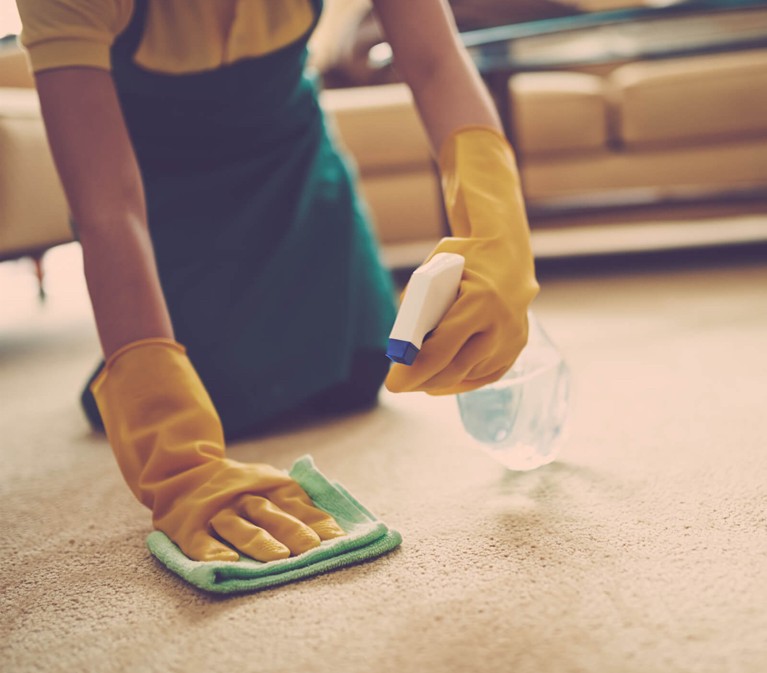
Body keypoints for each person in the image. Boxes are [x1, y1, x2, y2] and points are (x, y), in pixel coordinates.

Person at [15, 0, 539, 564]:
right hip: (162, 192)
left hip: (294, 166)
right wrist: (177, 459)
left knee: (358, 373)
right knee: (221, 392)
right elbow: (108, 213)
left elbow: (435, 61)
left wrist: (495, 228)